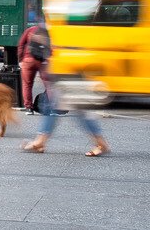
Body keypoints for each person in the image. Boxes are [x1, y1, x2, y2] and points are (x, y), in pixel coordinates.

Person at [19, 22, 108, 156]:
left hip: (72, 70)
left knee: (78, 111)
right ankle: (40, 141)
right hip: (68, 70)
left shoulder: (66, 26)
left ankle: (101, 144)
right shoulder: (63, 24)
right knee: (56, 107)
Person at [15, 20, 46, 113]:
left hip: (28, 60)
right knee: (49, 85)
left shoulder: (29, 30)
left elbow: (21, 45)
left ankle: (29, 107)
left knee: (27, 84)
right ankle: (50, 108)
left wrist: (20, 60)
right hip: (43, 61)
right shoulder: (48, 32)